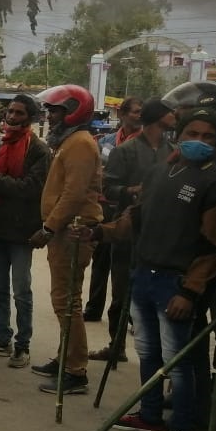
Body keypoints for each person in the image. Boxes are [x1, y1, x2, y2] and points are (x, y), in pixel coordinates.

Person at [81, 107, 216, 431]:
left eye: (208, 136)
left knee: (176, 361)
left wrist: (190, 290)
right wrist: (97, 232)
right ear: (178, 134)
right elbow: (133, 219)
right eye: (192, 133)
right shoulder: (159, 171)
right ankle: (150, 415)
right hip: (143, 274)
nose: (199, 141)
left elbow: (214, 247)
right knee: (148, 351)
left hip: (175, 283)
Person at [31, 85, 104, 394]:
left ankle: (76, 371)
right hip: (64, 229)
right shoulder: (69, 141)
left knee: (67, 300)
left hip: (72, 229)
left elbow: (73, 195)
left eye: (56, 111)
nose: (50, 115)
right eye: (49, 110)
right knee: (63, 299)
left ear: (74, 110)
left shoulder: (80, 144)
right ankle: (66, 358)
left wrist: (48, 228)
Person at [89, 99, 175, 362]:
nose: (174, 118)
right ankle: (117, 344)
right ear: (158, 118)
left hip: (161, 232)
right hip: (128, 227)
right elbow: (109, 188)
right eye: (170, 114)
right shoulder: (125, 151)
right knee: (121, 290)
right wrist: (131, 191)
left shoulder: (173, 151)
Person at [0, 94, 51, 368]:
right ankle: (1, 337)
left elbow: (30, 188)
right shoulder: (1, 144)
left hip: (22, 230)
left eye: (19, 113)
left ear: (30, 118)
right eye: (11, 112)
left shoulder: (38, 150)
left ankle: (22, 345)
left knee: (21, 290)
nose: (13, 117)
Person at [85, 97, 143, 322]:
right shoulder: (106, 141)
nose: (139, 116)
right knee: (100, 261)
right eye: (136, 111)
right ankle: (93, 308)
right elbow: (98, 170)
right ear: (122, 115)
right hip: (104, 205)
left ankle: (126, 315)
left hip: (129, 208)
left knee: (125, 266)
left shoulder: (145, 147)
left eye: (141, 112)